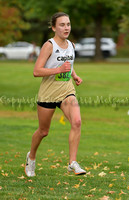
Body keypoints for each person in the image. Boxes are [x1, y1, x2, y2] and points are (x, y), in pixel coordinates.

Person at [25, 12, 86, 177]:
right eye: (62, 25)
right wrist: (58, 70)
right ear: (53, 27)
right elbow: (36, 71)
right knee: (43, 131)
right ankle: (31, 157)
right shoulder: (49, 45)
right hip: (48, 93)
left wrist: (74, 75)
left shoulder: (72, 45)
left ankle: (72, 162)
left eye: (68, 24)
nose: (66, 28)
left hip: (67, 91)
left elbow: (68, 64)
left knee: (77, 121)